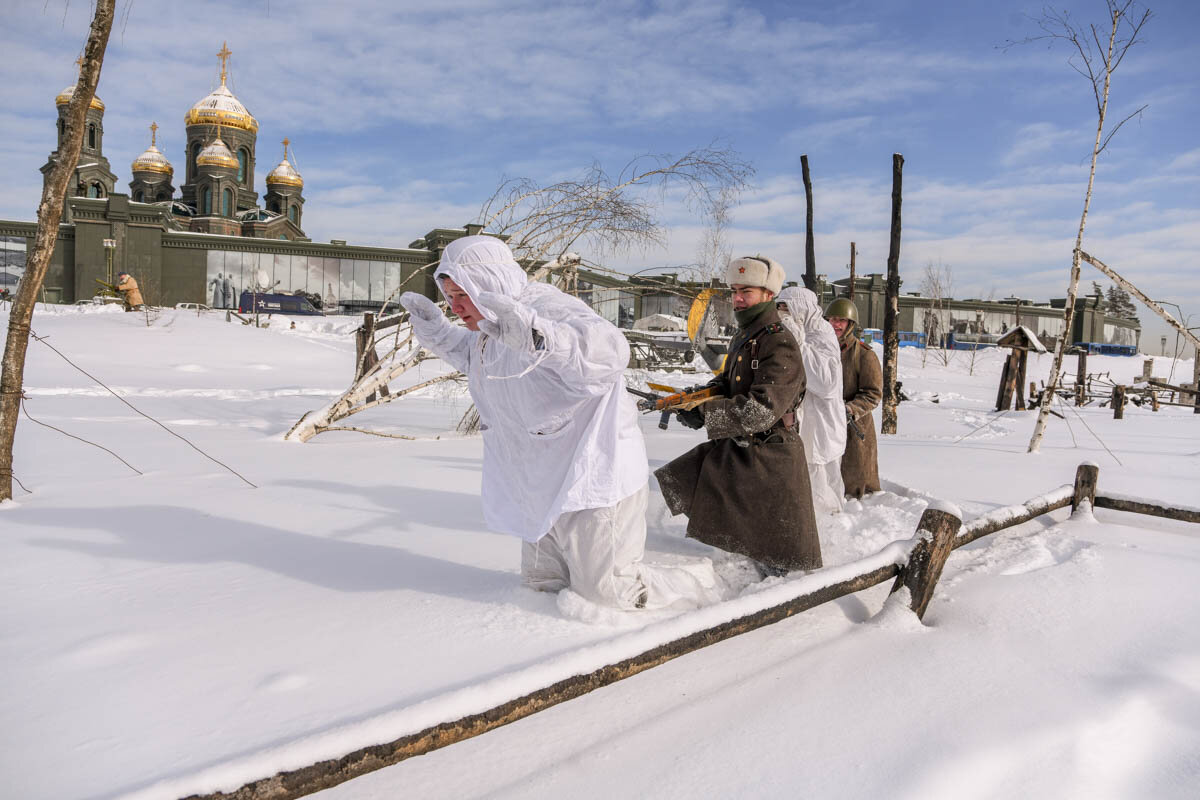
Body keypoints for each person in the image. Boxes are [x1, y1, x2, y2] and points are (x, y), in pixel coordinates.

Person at [399, 235, 718, 611]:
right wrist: (437, 332)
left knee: (609, 595)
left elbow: (610, 351)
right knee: (540, 587)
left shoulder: (545, 309)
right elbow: (480, 359)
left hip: (592, 475)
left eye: (461, 296)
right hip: (539, 482)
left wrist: (539, 337)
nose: (455, 307)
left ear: (487, 284)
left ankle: (693, 582)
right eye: (449, 297)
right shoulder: (492, 329)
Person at [655, 256, 822, 575]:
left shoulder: (779, 341)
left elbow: (761, 409)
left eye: (747, 291)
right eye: (734, 291)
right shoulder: (748, 335)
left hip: (772, 458)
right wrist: (696, 399)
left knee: (783, 564)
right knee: (683, 481)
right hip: (746, 450)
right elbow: (729, 381)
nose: (737, 298)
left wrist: (707, 412)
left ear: (769, 294)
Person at [777, 286, 846, 515]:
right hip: (800, 423)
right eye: (779, 307)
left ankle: (832, 533)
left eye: (787, 308)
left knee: (823, 489)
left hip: (820, 428)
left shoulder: (821, 332)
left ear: (802, 308)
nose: (782, 313)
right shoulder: (794, 332)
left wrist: (799, 344)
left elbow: (826, 383)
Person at [825, 297, 881, 498]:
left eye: (841, 320)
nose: (836, 325)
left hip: (854, 427)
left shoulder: (864, 355)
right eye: (832, 319)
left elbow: (873, 393)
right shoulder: (820, 350)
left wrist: (850, 409)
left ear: (850, 324)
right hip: (825, 423)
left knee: (856, 485)